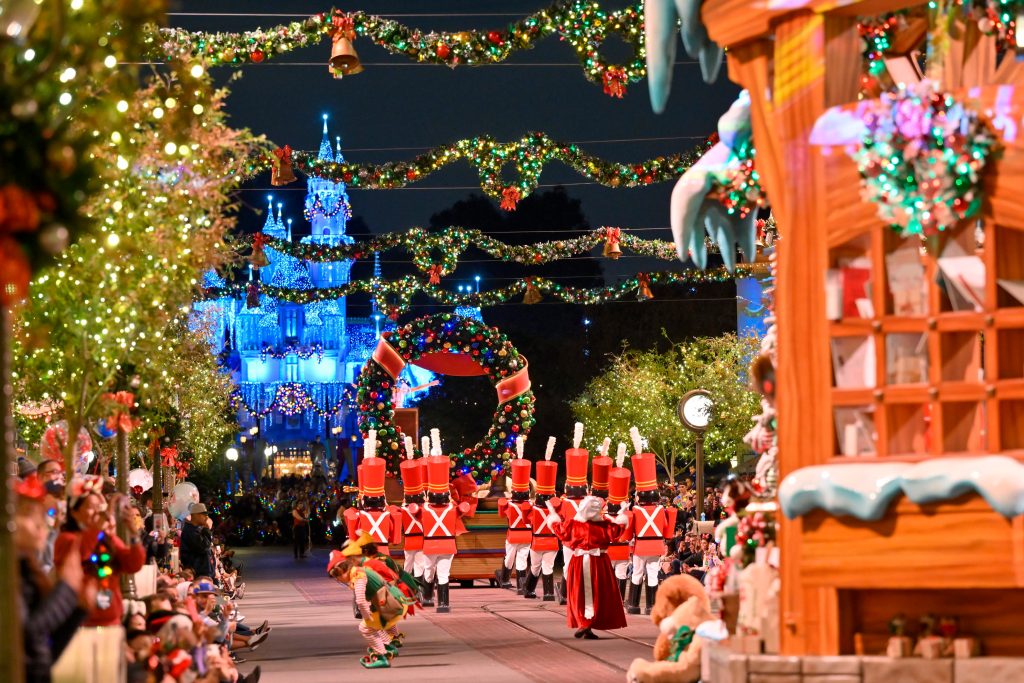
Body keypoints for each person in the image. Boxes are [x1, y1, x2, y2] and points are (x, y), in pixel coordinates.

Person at [16, 475, 90, 683]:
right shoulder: (11, 573)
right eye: (29, 515)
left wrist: (78, 610)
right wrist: (66, 591)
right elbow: (24, 635)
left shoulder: (27, 569)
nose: (42, 525)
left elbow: (42, 652)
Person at [53, 476, 146, 627]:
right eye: (91, 507)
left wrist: (134, 534)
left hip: (112, 620)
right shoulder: (66, 539)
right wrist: (102, 521)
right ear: (74, 512)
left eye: (99, 507)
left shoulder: (107, 538)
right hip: (80, 624)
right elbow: (84, 551)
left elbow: (133, 564)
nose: (98, 512)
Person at [547, 495, 629, 639]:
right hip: (599, 563)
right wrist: (622, 513)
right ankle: (588, 624)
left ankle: (584, 623)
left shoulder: (572, 524)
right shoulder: (604, 525)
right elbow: (618, 529)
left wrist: (553, 515)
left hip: (579, 562)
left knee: (579, 593)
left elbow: (558, 529)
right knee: (598, 593)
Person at [328, 553, 412, 669]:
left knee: (366, 628)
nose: (339, 580)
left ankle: (381, 656)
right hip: (389, 601)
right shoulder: (359, 570)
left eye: (337, 577)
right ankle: (387, 646)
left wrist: (367, 617)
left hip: (390, 603)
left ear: (340, 572)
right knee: (373, 625)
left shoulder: (358, 575)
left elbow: (361, 600)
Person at [623, 449, 677, 615]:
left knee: (637, 573)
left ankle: (633, 605)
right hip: (656, 546)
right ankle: (651, 607)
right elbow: (667, 532)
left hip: (640, 547)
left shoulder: (636, 510)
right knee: (653, 575)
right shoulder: (661, 510)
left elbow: (628, 533)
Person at [417, 449, 470, 613]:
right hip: (447, 546)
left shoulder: (424, 508)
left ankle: (427, 598)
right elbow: (462, 510)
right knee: (443, 574)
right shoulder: (452, 508)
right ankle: (443, 604)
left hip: (430, 546)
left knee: (429, 572)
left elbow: (417, 515)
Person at [495, 443, 533, 593]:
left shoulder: (509, 504)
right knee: (521, 559)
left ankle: (504, 579)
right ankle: (520, 586)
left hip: (513, 534)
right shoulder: (531, 505)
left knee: (510, 558)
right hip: (525, 535)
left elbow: (501, 514)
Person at [526, 440, 559, 601]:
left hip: (537, 542)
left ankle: (529, 590)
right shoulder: (557, 508)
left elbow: (527, 521)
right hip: (551, 542)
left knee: (535, 567)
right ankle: (548, 593)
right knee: (547, 567)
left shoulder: (533, 508)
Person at [180, 502, 215, 579]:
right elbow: (204, 547)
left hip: (203, 572)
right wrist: (207, 529)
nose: (207, 517)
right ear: (195, 515)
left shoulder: (196, 529)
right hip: (198, 574)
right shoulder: (190, 531)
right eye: (204, 514)